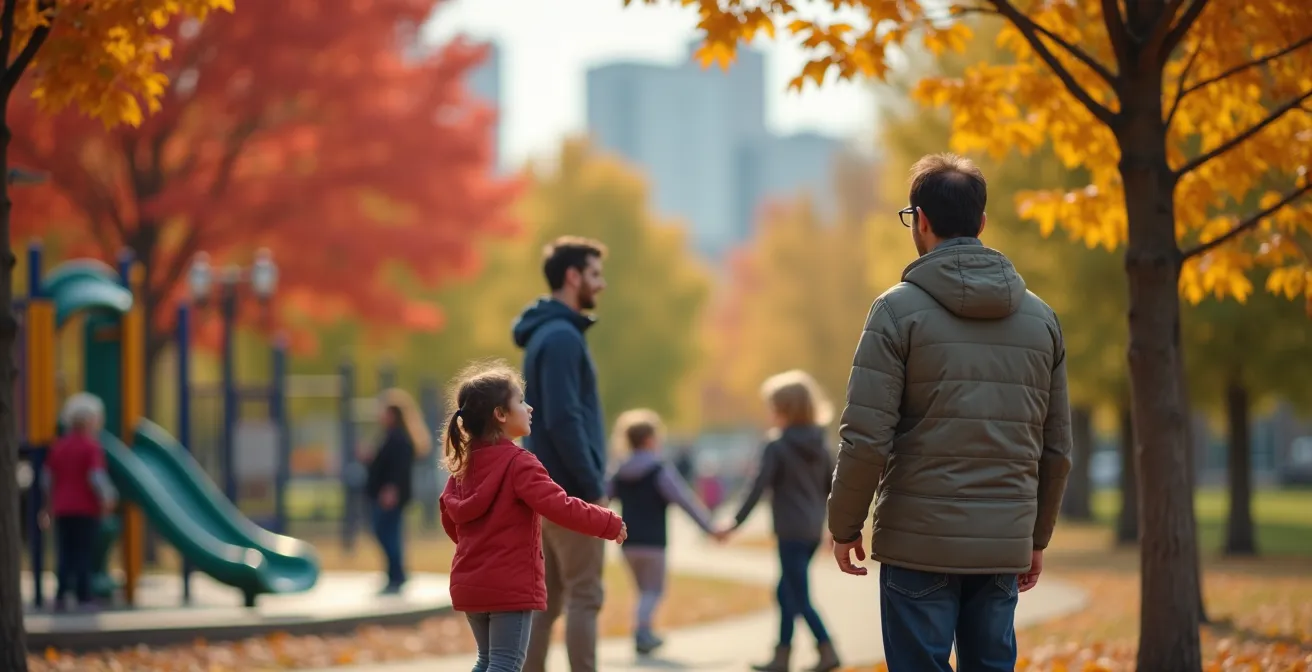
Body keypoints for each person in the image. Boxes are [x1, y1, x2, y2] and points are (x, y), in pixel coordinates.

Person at [826, 153, 1073, 672]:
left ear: (920, 220)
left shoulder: (895, 312)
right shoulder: (1041, 319)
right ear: (981, 222)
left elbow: (866, 436)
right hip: (1002, 542)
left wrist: (845, 525)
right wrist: (1036, 538)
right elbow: (1056, 448)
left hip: (919, 543)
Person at [440, 361, 627, 672]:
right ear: (500, 414)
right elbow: (560, 506)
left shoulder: (463, 468)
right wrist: (607, 521)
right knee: (506, 663)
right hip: (509, 585)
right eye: (521, 401)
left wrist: (478, 549)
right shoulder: (519, 463)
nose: (529, 408)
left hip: (470, 581)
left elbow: (451, 521)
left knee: (487, 660)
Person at [511, 236, 609, 672]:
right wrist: (591, 487)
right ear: (572, 277)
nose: (601, 284)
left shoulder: (545, 335)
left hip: (545, 490)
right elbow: (564, 419)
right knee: (585, 596)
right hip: (570, 491)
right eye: (594, 274)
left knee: (546, 602)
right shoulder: (562, 338)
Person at [722, 370, 842, 672]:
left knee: (797, 595)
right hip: (811, 530)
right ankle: (782, 656)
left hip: (789, 531)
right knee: (786, 591)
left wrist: (734, 523)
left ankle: (827, 650)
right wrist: (836, 528)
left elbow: (757, 488)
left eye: (772, 407)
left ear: (784, 409)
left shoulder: (776, 445)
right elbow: (832, 489)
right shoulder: (822, 444)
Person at [607, 409, 721, 655]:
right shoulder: (658, 470)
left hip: (627, 542)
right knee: (654, 590)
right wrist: (709, 527)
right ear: (650, 440)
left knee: (642, 591)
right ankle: (642, 633)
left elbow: (603, 499)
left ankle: (645, 631)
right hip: (654, 542)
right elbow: (684, 500)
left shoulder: (619, 471)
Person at [43, 393, 117, 611]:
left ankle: (61, 595)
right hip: (85, 509)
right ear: (90, 421)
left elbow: (47, 478)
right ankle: (84, 596)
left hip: (62, 508)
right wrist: (108, 498)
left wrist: (48, 505)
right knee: (84, 552)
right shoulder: (91, 447)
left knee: (65, 552)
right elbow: (96, 477)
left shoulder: (59, 446)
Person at [362, 387, 431, 594]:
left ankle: (397, 576)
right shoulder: (391, 436)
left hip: (389, 496)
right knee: (387, 533)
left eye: (383, 411)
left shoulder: (399, 439)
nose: (380, 415)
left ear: (393, 414)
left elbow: (398, 470)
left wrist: (391, 490)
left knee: (388, 534)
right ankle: (394, 574)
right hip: (385, 494)